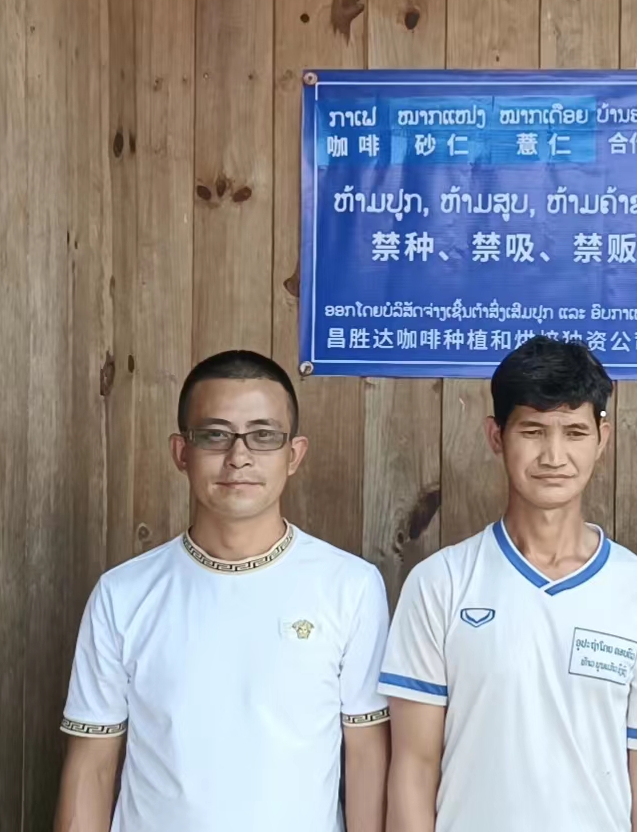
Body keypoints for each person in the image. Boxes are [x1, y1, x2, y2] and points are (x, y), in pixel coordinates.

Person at [53, 350, 391, 832]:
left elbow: (367, 759)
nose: (239, 456)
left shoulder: (350, 587)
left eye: (263, 435)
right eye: (215, 435)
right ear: (181, 452)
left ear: (294, 455)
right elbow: (91, 765)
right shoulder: (122, 594)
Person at [381, 337, 637, 832]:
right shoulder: (440, 584)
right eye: (532, 430)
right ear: (496, 436)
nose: (554, 455)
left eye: (574, 432)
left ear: (602, 438)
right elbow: (413, 765)